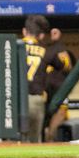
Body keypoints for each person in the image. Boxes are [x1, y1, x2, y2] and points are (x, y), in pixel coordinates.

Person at [21, 15, 51, 143]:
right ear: (42, 35)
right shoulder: (45, 50)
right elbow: (63, 65)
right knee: (33, 143)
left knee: (13, 142)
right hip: (36, 99)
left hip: (14, 101)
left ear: (24, 31)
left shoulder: (12, 47)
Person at [43, 26, 75, 141]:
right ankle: (46, 137)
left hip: (57, 90)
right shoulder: (43, 51)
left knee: (61, 113)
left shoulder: (62, 52)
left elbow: (68, 67)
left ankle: (49, 138)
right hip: (44, 91)